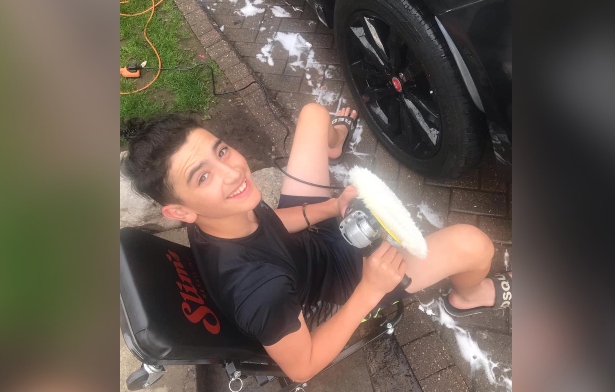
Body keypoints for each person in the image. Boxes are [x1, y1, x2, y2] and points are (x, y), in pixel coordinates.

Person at [121, 103, 512, 383]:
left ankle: (335, 141)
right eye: (202, 177)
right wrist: (369, 290)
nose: (233, 172)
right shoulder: (262, 293)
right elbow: (302, 367)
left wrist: (331, 206)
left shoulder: (216, 217)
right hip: (341, 286)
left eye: (221, 150)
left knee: (313, 115)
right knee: (473, 243)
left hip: (310, 248)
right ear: (179, 212)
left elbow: (269, 223)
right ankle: (468, 297)